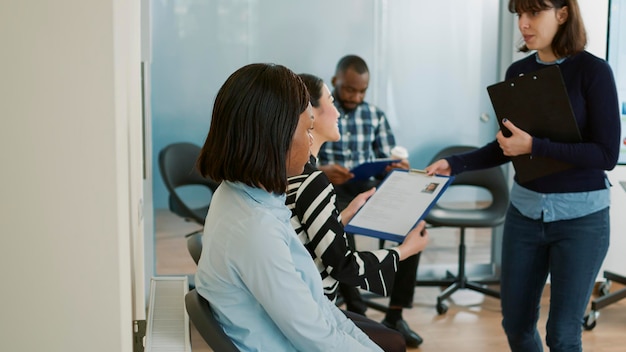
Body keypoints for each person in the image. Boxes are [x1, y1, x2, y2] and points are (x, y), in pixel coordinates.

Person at [425, 1, 620, 351]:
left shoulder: (594, 72)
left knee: (562, 334)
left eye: (534, 14)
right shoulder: (518, 72)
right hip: (525, 215)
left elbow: (606, 155)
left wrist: (536, 146)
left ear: (562, 14)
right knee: (515, 325)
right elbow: (509, 146)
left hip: (582, 220)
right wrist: (456, 164)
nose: (523, 24)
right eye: (519, 15)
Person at [194, 63, 384, 351]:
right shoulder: (255, 229)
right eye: (308, 129)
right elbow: (318, 338)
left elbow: (318, 309)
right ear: (275, 136)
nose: (311, 143)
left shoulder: (240, 194)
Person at [287, 73, 430, 351]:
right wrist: (405, 251)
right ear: (309, 113)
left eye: (362, 91)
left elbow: (304, 240)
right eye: (332, 99)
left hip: (360, 189)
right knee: (395, 344)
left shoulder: (290, 173)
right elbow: (343, 266)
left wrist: (342, 217)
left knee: (408, 221)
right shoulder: (312, 181)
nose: (344, 106)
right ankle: (356, 308)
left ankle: (395, 313)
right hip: (314, 311)